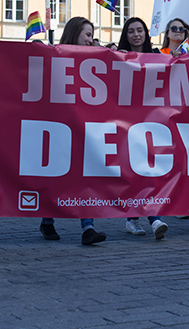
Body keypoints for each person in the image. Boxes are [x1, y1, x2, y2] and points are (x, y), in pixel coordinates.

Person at [38, 17, 108, 245]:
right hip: (59, 127)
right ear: (74, 32)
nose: (90, 40)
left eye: (91, 35)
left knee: (84, 175)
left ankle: (88, 227)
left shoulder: (96, 58)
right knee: (55, 176)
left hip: (83, 128)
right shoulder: (54, 54)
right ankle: (47, 220)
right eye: (87, 34)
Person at [116, 17, 170, 239]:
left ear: (146, 34)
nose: (136, 35)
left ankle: (144, 218)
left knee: (148, 169)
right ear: (125, 35)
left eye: (140, 30)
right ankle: (144, 219)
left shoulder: (158, 56)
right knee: (134, 170)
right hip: (125, 122)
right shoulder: (116, 57)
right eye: (131, 31)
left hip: (151, 123)